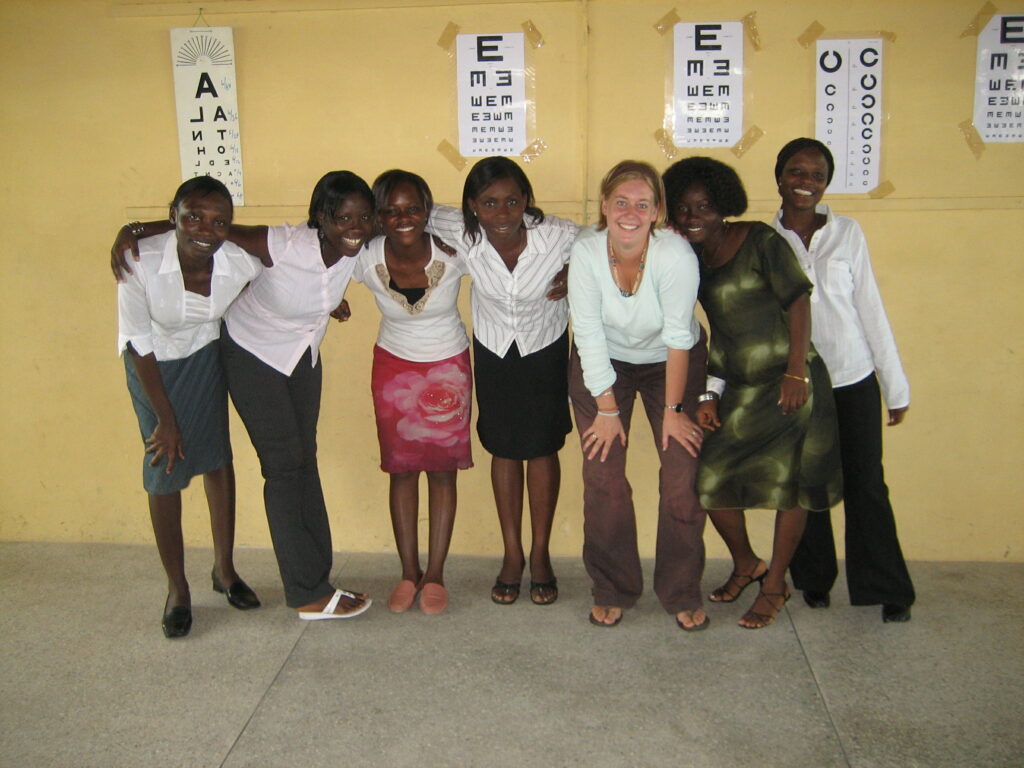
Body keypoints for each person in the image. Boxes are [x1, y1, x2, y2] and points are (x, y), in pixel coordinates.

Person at [111, 171, 374, 622]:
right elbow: (206, 232)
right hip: (240, 358)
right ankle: (302, 592)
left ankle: (287, 574)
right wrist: (134, 229)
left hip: (288, 356)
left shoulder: (355, 243)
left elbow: (241, 258)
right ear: (320, 217)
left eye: (363, 218)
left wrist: (327, 300)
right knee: (279, 467)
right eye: (344, 216)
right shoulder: (278, 244)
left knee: (289, 461)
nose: (356, 225)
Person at [663, 156, 842, 630]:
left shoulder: (760, 240)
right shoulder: (694, 260)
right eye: (683, 209)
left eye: (704, 206)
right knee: (711, 479)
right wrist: (709, 394)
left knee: (790, 486)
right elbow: (720, 334)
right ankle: (747, 563)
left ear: (724, 206)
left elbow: (798, 302)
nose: (693, 216)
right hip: (741, 386)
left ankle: (775, 584)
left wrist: (796, 372)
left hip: (792, 385)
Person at [772, 138, 915, 622]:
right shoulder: (767, 241)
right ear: (779, 178)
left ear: (825, 183)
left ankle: (886, 586)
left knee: (866, 483)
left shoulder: (848, 233)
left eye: (815, 175)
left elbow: (870, 308)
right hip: (798, 382)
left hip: (853, 377)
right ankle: (813, 580)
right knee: (807, 484)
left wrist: (895, 386)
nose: (805, 183)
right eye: (796, 172)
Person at [117, 176, 262, 638]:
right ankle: (177, 589)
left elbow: (283, 271)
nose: (206, 229)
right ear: (173, 214)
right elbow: (138, 344)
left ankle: (224, 571)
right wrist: (166, 419)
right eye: (193, 216)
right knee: (165, 468)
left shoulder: (239, 261)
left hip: (204, 355)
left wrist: (328, 301)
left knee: (217, 459)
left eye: (220, 221)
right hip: (152, 365)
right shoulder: (139, 260)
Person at [567, 160, 708, 631]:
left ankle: (682, 590)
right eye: (621, 202)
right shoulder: (586, 253)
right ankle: (613, 587)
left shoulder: (675, 256)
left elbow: (677, 337)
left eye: (642, 205)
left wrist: (673, 411)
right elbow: (586, 332)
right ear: (604, 206)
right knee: (603, 475)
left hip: (672, 360)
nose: (630, 213)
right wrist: (606, 408)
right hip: (603, 361)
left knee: (682, 475)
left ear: (657, 213)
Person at [428, 156, 575, 606]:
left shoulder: (560, 235)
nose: (502, 213)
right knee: (503, 447)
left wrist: (577, 273)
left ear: (526, 199)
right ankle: (512, 554)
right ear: (473, 205)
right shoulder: (460, 230)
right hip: (494, 351)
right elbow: (403, 208)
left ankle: (541, 552)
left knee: (543, 447)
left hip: (544, 349)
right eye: (489, 203)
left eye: (512, 201)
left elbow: (613, 243)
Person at [352, 169, 472, 615]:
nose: (404, 218)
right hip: (392, 368)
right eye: (392, 211)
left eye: (413, 208)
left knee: (443, 472)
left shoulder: (455, 251)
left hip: (448, 366)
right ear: (378, 216)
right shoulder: (366, 257)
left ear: (428, 209)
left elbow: (509, 257)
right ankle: (408, 571)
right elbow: (319, 267)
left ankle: (436, 574)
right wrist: (333, 300)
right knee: (401, 471)